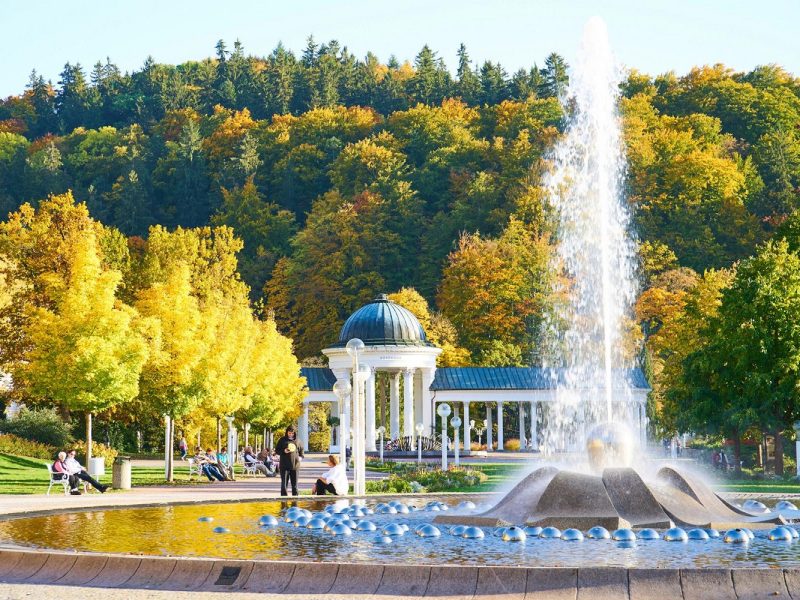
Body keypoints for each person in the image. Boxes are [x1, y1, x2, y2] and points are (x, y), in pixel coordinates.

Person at [275, 425, 304, 496]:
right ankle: (284, 501)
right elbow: (277, 450)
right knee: (284, 485)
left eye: (292, 433)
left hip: (295, 466)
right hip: (284, 466)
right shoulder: (282, 440)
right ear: (287, 432)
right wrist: (284, 451)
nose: (291, 434)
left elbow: (301, 452)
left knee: (295, 486)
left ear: (295, 433)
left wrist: (300, 458)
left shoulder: (298, 441)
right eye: (289, 433)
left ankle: (295, 500)